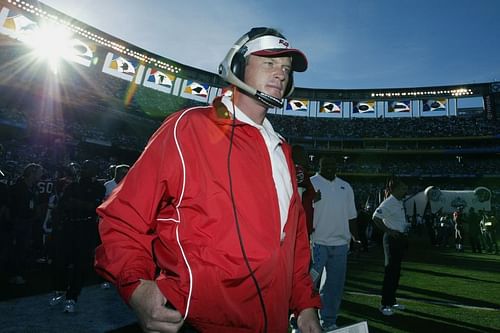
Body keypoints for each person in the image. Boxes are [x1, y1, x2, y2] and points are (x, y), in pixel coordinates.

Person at [95, 27, 322, 333]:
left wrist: (305, 305)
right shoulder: (188, 127)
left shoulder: (282, 150)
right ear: (238, 64)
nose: (281, 74)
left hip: (273, 323)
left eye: (286, 68)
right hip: (196, 322)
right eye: (269, 63)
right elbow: (124, 215)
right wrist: (135, 284)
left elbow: (292, 242)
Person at [309, 155, 360, 331]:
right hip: (316, 243)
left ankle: (328, 321)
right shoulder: (310, 183)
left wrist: (356, 237)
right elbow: (300, 210)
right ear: (319, 165)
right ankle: (298, 321)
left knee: (333, 287)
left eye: (332, 163)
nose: (330, 166)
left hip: (340, 245)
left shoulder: (345, 186)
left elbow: (352, 216)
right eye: (326, 164)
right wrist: (311, 201)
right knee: (307, 284)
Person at [49, 160, 105, 313]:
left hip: (86, 228)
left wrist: (75, 203)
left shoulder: (98, 187)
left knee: (81, 264)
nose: (85, 171)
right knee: (61, 260)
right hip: (69, 226)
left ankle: (72, 297)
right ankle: (59, 290)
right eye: (85, 168)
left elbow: (93, 207)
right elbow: (62, 205)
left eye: (89, 168)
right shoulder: (73, 186)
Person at [372, 177, 410, 316]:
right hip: (392, 239)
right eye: (403, 188)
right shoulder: (389, 202)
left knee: (396, 271)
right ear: (395, 189)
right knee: (390, 272)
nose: (405, 191)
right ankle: (384, 304)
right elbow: (375, 217)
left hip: (399, 238)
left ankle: (392, 300)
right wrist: (389, 231)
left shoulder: (398, 201)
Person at [7, 163, 43, 285]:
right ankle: (13, 274)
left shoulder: (33, 187)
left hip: (27, 222)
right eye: (39, 172)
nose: (41, 175)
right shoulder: (18, 187)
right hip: (18, 222)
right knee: (15, 249)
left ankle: (18, 273)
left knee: (22, 249)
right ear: (32, 173)